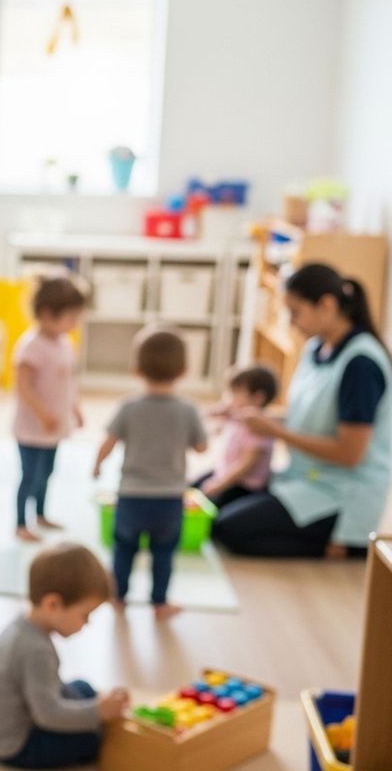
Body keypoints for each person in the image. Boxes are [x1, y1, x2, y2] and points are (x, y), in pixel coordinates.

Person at [213, 264, 392, 558]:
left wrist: (274, 431)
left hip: (341, 494)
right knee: (216, 498)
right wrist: (249, 417)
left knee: (229, 529)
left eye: (295, 313)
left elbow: (350, 453)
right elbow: (309, 418)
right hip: (305, 478)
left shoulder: (361, 365)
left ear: (327, 305)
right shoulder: (315, 349)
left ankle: (345, 546)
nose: (291, 323)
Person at [0, 542, 129, 770]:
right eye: (85, 614)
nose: (87, 623)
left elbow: (50, 688)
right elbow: (47, 714)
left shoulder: (26, 628)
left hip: (19, 717)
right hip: (14, 744)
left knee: (83, 688)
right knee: (90, 740)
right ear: (53, 604)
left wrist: (93, 706)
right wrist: (97, 711)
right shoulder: (35, 650)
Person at [94, 327, 207, 619]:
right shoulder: (188, 410)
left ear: (137, 369)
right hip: (169, 498)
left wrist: (97, 464)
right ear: (184, 370)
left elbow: (108, 442)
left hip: (131, 495)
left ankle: (118, 597)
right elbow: (202, 447)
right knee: (163, 553)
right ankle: (160, 603)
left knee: (124, 549)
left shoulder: (129, 407)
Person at [12, 275, 87, 542]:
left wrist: (75, 409)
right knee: (29, 475)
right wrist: (43, 414)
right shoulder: (31, 346)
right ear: (47, 314)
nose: (75, 324)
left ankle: (41, 514)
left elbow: (68, 382)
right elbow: (23, 386)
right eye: (70, 317)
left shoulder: (65, 343)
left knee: (47, 473)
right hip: (32, 428)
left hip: (55, 426)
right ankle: (21, 523)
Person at [192, 365, 279, 509]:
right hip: (223, 472)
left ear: (257, 398)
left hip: (243, 485)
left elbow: (246, 464)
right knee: (192, 489)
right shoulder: (237, 417)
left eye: (234, 393)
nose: (227, 398)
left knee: (207, 506)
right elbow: (210, 418)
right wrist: (214, 413)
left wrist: (220, 484)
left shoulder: (260, 428)